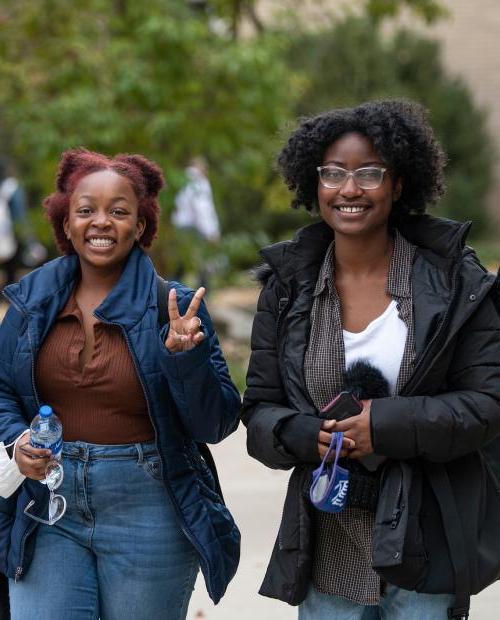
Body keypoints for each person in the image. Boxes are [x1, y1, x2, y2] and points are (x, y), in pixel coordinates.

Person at [242, 100, 500, 619]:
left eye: (369, 173)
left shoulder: (455, 283)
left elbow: (486, 404)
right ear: (314, 184)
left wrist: (381, 426)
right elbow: (260, 409)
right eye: (333, 173)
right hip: (326, 545)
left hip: (427, 539)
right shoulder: (288, 288)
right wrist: (299, 434)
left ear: (399, 184)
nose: (350, 189)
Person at [0, 148, 241, 620]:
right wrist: (16, 440)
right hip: (50, 500)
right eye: (86, 210)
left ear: (141, 225)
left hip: (149, 506)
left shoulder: (176, 307)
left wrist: (184, 357)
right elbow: (1, 390)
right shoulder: (30, 302)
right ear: (65, 224)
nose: (101, 222)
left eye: (119, 211)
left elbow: (216, 422)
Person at [171, 157, 221, 289]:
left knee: (181, 262)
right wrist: (211, 232)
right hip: (195, 228)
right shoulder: (199, 181)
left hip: (179, 226)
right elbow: (203, 209)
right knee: (202, 263)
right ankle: (203, 295)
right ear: (202, 167)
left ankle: (170, 291)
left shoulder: (181, 180)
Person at [0, 157, 47, 289]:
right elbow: (20, 216)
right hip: (11, 233)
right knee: (11, 267)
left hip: (8, 234)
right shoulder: (12, 187)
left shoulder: (9, 187)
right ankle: (8, 292)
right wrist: (30, 240)